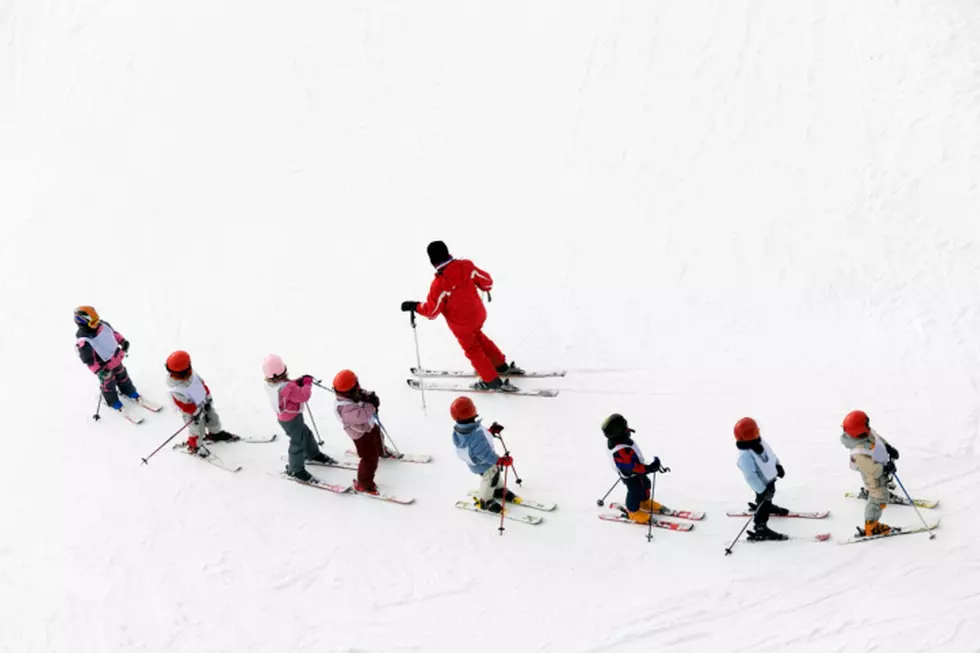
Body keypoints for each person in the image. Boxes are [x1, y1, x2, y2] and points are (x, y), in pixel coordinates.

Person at [400, 240, 524, 392]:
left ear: (432, 261)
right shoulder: (466, 266)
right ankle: (500, 365)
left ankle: (491, 380)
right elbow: (487, 283)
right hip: (478, 314)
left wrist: (414, 306)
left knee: (472, 348)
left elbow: (432, 312)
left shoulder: (439, 285)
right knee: (479, 336)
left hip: (461, 324)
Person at [262, 354, 336, 482]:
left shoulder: (272, 384)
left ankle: (312, 454)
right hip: (291, 419)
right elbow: (303, 396)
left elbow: (287, 386)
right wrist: (306, 383)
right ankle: (296, 470)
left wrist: (297, 381)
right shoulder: (287, 387)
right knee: (298, 442)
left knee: (305, 434)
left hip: (286, 418)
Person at [332, 369, 396, 494]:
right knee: (369, 458)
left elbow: (361, 394)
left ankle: (381, 451)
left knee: (378, 436)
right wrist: (371, 405)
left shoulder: (351, 393)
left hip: (368, 426)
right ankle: (364, 484)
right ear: (350, 390)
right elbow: (364, 415)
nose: (359, 387)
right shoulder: (345, 409)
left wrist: (369, 396)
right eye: (356, 385)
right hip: (360, 434)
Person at [74, 306, 144, 417]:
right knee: (108, 384)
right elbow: (89, 361)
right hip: (104, 368)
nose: (97, 324)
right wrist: (99, 371)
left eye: (97, 320)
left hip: (115, 358)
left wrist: (122, 341)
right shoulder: (84, 342)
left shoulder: (103, 325)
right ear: (83, 324)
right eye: (93, 323)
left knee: (122, 375)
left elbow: (113, 334)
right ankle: (112, 401)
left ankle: (128, 390)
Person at [602, 414, 670, 524]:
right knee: (635, 490)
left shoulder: (621, 439)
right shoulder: (620, 451)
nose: (627, 428)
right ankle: (632, 511)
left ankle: (644, 502)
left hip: (635, 471)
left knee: (645, 484)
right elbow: (634, 468)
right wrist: (651, 468)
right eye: (624, 426)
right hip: (630, 475)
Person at [165, 350, 237, 456]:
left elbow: (202, 385)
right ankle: (195, 446)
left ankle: (215, 434)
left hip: (204, 403)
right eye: (175, 374)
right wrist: (196, 411)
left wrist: (208, 398)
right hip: (192, 414)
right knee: (197, 430)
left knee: (213, 419)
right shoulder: (176, 389)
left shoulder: (192, 375)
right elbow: (185, 405)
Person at [841, 410, 901, 536]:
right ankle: (871, 526)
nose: (869, 426)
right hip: (873, 472)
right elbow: (873, 470)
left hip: (877, 462)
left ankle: (874, 491)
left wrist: (888, 447)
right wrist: (885, 469)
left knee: (881, 483)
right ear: (859, 430)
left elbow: (877, 438)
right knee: (879, 497)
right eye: (866, 424)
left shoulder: (866, 433)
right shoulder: (859, 452)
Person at [450, 396, 514, 513]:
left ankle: (498, 490)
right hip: (484, 463)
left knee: (494, 475)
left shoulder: (462, 429)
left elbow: (476, 441)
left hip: (474, 461)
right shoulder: (475, 435)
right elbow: (483, 453)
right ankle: (486, 500)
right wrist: (499, 461)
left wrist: (489, 432)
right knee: (490, 478)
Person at [734, 418, 789, 541]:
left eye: (757, 432)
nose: (757, 435)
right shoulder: (745, 456)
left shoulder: (759, 442)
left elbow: (771, 454)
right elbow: (751, 477)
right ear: (747, 436)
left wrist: (778, 465)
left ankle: (766, 505)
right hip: (762, 485)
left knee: (770, 495)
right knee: (764, 501)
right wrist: (762, 491)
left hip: (769, 479)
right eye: (754, 433)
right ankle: (760, 526)